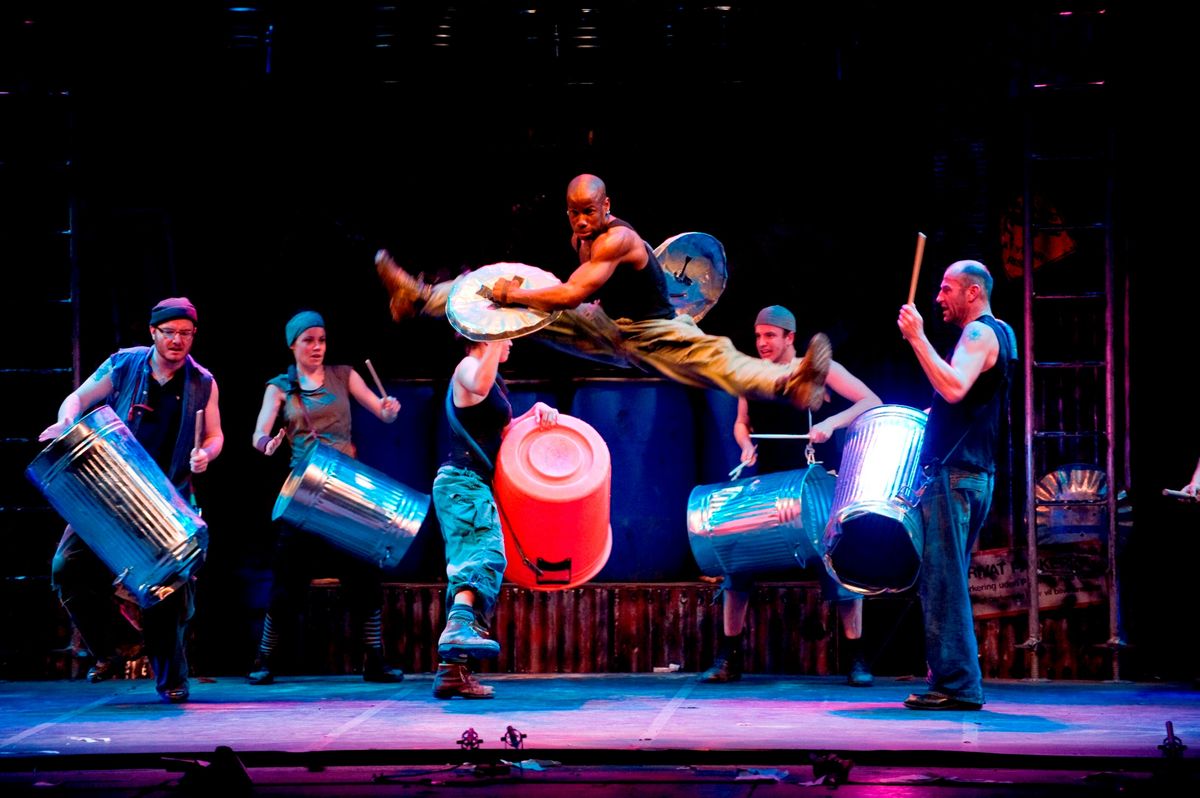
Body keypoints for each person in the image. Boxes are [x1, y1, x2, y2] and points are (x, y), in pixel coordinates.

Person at [376, 173, 832, 411]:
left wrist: (518, 296)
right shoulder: (581, 235)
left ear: (606, 206)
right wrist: (520, 296)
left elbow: (571, 295)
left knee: (716, 357)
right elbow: (575, 293)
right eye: (574, 212)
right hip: (608, 324)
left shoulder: (618, 239)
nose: (581, 221)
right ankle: (419, 298)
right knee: (510, 292)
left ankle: (789, 382)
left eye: (589, 211)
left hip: (654, 332)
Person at [40, 297, 224, 703]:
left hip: (164, 499)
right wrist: (67, 420)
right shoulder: (124, 364)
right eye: (169, 332)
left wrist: (205, 454)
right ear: (153, 332)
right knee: (67, 568)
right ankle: (115, 645)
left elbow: (215, 435)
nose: (177, 340)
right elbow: (77, 398)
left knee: (166, 591)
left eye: (186, 333)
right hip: (110, 492)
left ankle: (172, 680)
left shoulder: (202, 382)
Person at [698, 305, 882, 686]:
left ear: (790, 338)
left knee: (838, 561)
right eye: (758, 335)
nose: (762, 343)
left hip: (814, 487)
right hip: (768, 488)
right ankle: (729, 656)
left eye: (770, 335)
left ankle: (856, 656)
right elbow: (741, 423)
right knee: (736, 557)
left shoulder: (817, 369)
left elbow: (871, 402)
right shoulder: (751, 374)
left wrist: (831, 423)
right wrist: (745, 445)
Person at [246, 311, 404, 685]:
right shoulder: (280, 387)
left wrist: (387, 411)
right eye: (309, 340)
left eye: (322, 340)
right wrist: (266, 443)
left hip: (348, 490)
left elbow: (380, 411)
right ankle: (265, 658)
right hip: (305, 493)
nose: (317, 347)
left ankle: (375, 659)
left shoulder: (344, 375)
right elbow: (259, 432)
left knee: (365, 573)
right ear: (293, 345)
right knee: (287, 578)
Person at [896, 260, 1017, 711]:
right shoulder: (1002, 333)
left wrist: (917, 338)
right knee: (946, 581)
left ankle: (958, 686)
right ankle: (953, 680)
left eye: (947, 289)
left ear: (973, 292)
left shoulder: (978, 333)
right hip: (973, 474)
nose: (938, 297)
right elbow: (966, 403)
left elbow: (954, 388)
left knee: (942, 583)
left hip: (956, 475)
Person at [431, 336, 559, 699]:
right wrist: (494, 337)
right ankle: (458, 630)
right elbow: (479, 384)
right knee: (484, 556)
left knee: (471, 565)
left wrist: (532, 413)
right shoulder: (469, 368)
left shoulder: (492, 378)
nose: (511, 341)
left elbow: (499, 434)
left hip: (471, 484)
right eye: (506, 335)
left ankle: (452, 672)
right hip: (462, 483)